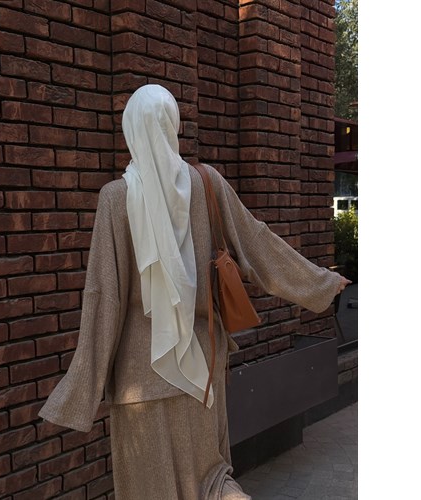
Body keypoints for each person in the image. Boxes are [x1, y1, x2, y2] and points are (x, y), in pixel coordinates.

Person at [38, 84, 351, 499]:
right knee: (211, 482)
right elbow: (257, 242)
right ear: (173, 125)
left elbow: (103, 298)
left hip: (139, 381)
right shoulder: (207, 183)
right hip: (203, 369)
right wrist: (323, 283)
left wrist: (79, 390)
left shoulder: (115, 198)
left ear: (130, 129)